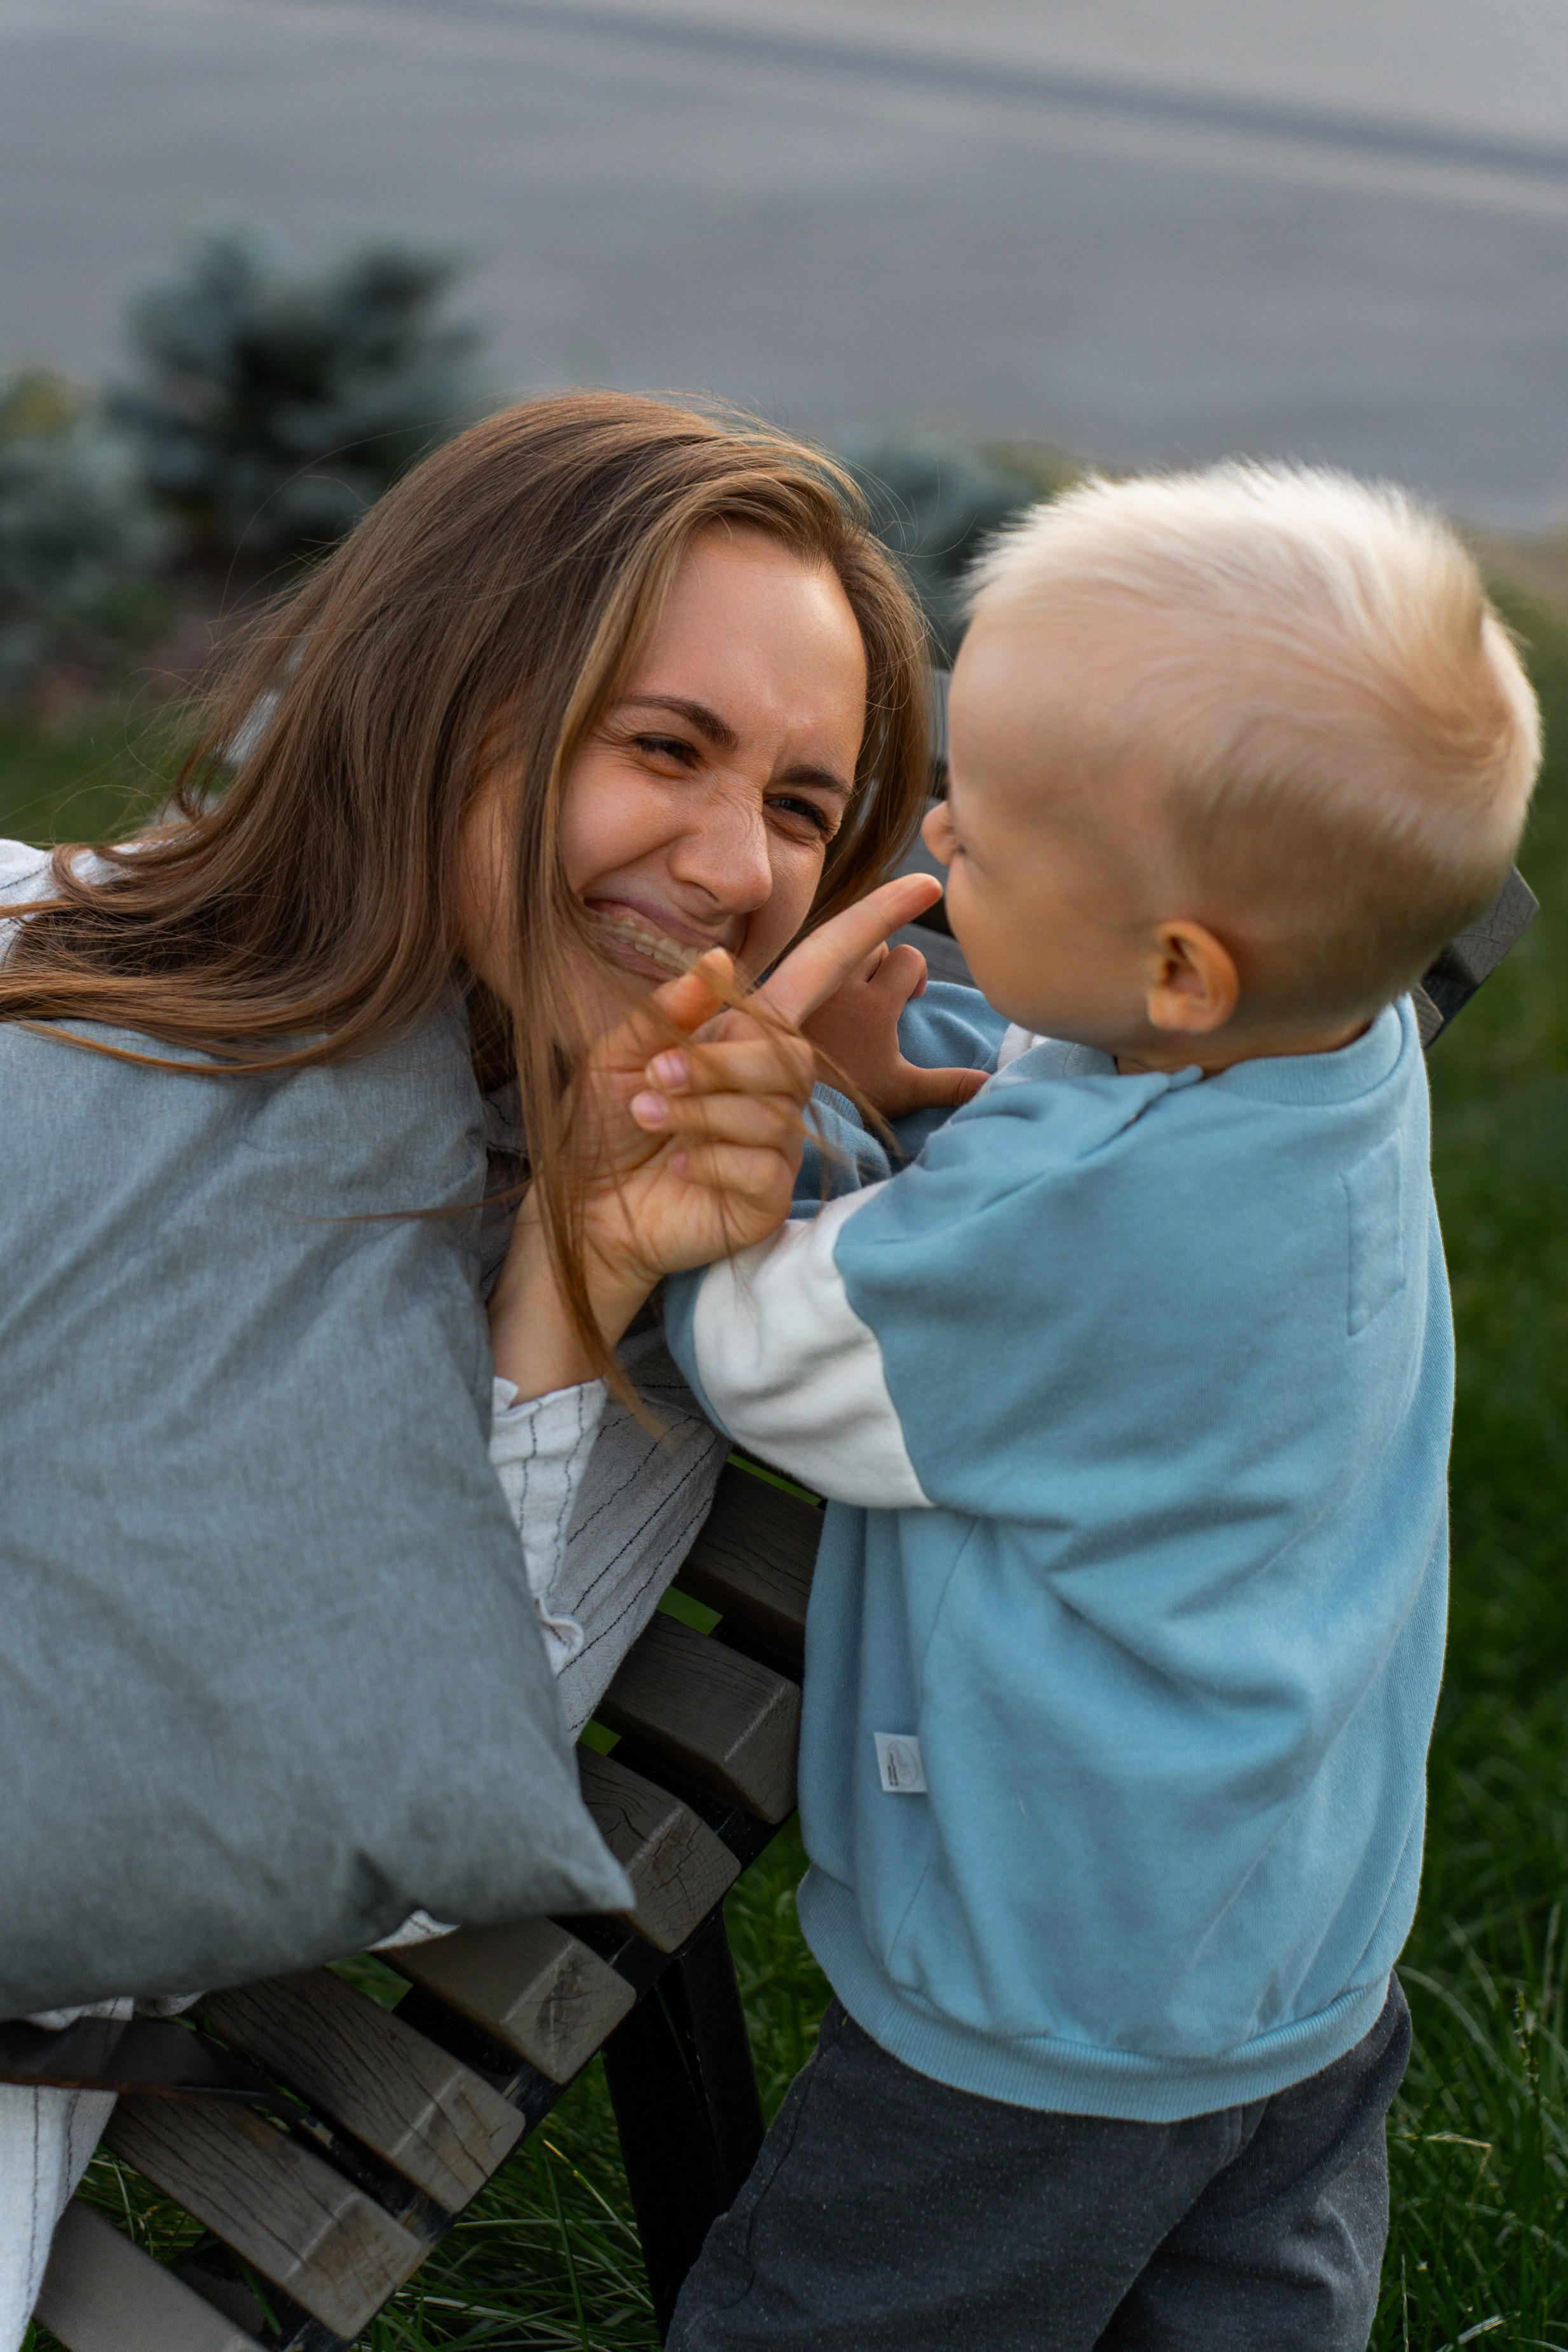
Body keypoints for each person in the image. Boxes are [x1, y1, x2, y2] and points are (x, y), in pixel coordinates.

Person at [511, 463, 1542, 2350]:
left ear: (1173, 963)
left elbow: (780, 1357)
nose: (924, 839)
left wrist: (789, 1120)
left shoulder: (1077, 1243)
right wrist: (943, 1076)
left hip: (1056, 1995)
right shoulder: (1329, 1037)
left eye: (979, 844)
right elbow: (1089, 1108)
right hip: (1294, 1946)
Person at [0, 390, 970, 2346]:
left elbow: (383, 1840)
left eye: (798, 809)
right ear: (444, 708)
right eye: (664, 747)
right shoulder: (42, 949)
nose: (727, 867)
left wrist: (562, 1287)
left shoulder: (619, 1298)